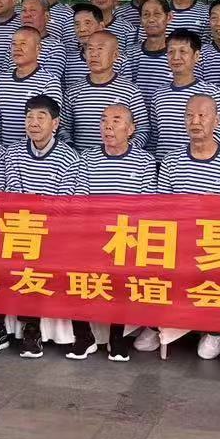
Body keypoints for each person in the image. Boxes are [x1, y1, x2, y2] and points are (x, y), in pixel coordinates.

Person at [143, 93, 220, 363]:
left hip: (217, 242)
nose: (195, 121)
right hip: (180, 239)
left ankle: (215, 329)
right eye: (189, 116)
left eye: (202, 116)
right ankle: (157, 324)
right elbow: (163, 209)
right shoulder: (171, 161)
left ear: (216, 121)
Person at [75, 104, 158, 362]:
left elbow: (146, 208)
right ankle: (83, 336)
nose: (108, 126)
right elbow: (80, 203)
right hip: (92, 235)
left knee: (124, 265)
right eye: (103, 120)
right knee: (73, 264)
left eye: (116, 120)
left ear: (131, 129)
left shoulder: (144, 161)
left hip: (126, 236)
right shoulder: (86, 159)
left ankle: (117, 336)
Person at [5, 96, 84, 361]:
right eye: (29, 117)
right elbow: (12, 195)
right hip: (21, 228)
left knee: (40, 257)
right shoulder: (14, 153)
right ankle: (17, 328)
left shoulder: (69, 157)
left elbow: (65, 203)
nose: (34, 123)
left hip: (55, 231)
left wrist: (37, 211)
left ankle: (32, 329)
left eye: (41, 117)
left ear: (55, 123)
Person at [65, 30, 150, 154]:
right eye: (90, 49)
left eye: (100, 49)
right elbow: (64, 129)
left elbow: (143, 130)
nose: (94, 54)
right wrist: (74, 153)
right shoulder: (73, 91)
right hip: (82, 161)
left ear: (115, 55)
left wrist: (122, 151)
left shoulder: (130, 91)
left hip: (119, 161)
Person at [0, 25, 62, 147]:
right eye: (14, 44)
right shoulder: (1, 81)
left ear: (38, 48)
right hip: (5, 152)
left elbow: (51, 126)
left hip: (33, 153)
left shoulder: (49, 82)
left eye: (23, 43)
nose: (17, 48)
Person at [148, 29, 218, 155]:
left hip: (198, 163)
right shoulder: (159, 95)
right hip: (163, 163)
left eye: (183, 51)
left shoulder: (211, 92)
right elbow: (154, 138)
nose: (176, 57)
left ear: (196, 56)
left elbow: (217, 136)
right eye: (171, 52)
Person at [128, 0, 173, 96]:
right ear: (140, 19)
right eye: (146, 14)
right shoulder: (129, 55)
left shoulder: (176, 56)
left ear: (169, 17)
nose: (151, 19)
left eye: (157, 14)